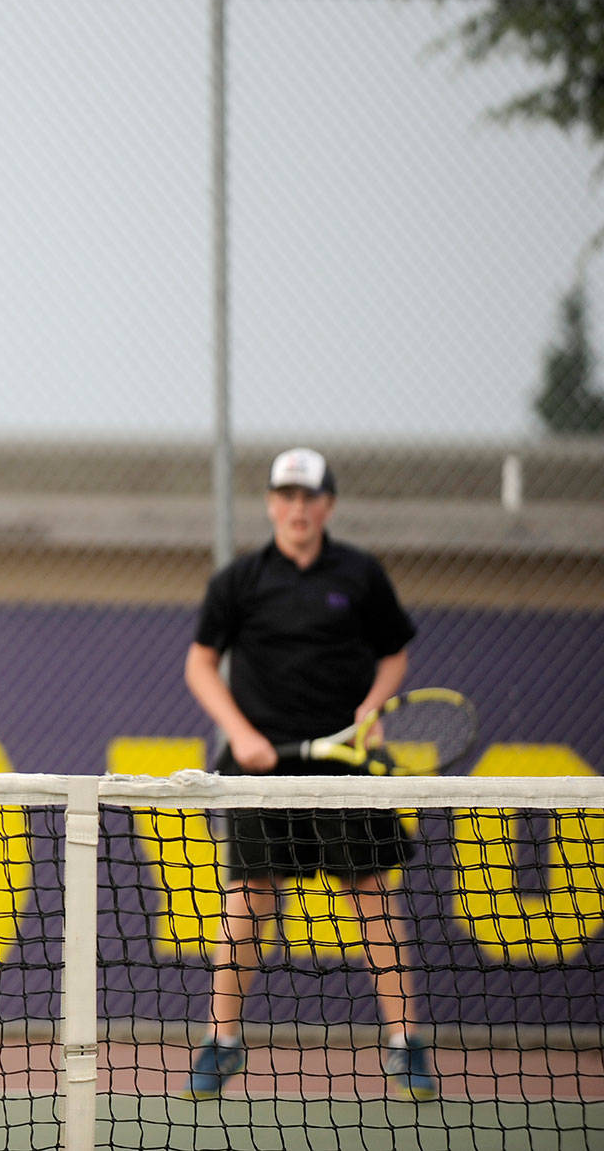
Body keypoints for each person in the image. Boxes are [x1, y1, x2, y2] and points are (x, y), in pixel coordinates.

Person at [180, 447, 437, 1101]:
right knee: (248, 897)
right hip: (260, 767)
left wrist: (371, 707)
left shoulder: (360, 573)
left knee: (371, 893)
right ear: (272, 504)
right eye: (287, 496)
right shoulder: (239, 581)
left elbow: (394, 654)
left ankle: (406, 1044)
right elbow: (200, 664)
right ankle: (221, 1041)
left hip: (344, 766)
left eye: (309, 497)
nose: (298, 508)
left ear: (328, 505)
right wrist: (240, 734)